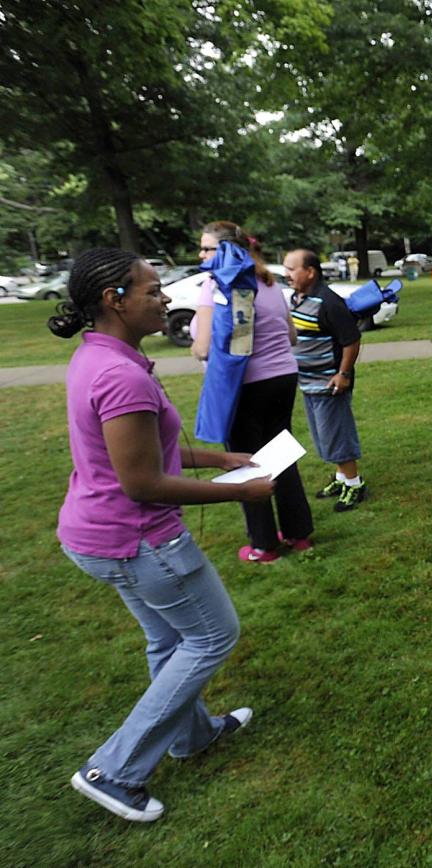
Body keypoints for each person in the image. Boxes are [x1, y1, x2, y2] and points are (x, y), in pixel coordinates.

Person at [47, 249, 273, 822]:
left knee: (171, 642)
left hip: (98, 536)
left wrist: (221, 457)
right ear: (113, 300)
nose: (166, 298)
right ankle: (115, 770)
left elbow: (151, 450)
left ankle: (191, 736)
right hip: (138, 541)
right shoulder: (120, 375)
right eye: (153, 291)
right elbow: (145, 482)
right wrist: (240, 491)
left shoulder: (99, 357)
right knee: (211, 638)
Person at [192, 221, 313, 562]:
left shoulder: (216, 283)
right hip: (284, 377)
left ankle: (263, 544)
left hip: (245, 385)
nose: (202, 256)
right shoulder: (270, 282)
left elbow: (202, 348)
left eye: (208, 249)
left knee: (247, 461)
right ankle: (299, 534)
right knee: (281, 457)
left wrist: (197, 347)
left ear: (228, 250)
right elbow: (291, 336)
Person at [283, 249, 368, 510]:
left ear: (310, 272)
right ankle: (342, 477)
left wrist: (342, 374)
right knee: (324, 437)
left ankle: (354, 484)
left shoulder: (329, 301)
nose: (286, 274)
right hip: (308, 382)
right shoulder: (299, 297)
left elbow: (351, 341)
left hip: (329, 384)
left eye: (291, 269)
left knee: (337, 435)